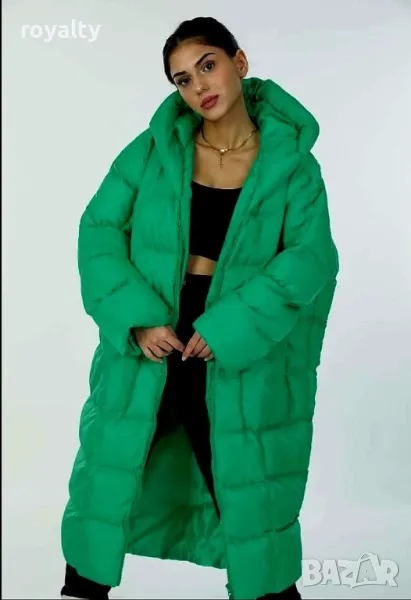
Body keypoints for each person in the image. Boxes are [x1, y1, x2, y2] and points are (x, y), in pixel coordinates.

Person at [60, 15, 339, 600]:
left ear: (239, 62)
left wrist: (230, 327)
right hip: (154, 331)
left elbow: (310, 259)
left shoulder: (290, 165)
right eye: (182, 79)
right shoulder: (154, 151)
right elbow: (99, 231)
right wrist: (137, 318)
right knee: (108, 473)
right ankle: (81, 590)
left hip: (232, 339)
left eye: (207, 65)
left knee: (245, 480)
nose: (198, 86)